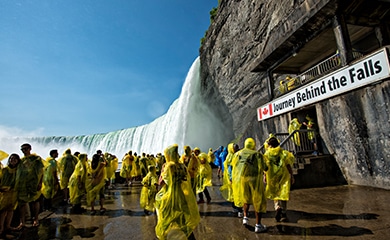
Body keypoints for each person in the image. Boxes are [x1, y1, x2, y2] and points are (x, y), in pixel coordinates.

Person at [155, 144, 200, 239]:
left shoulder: (168, 167)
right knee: (183, 220)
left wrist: (162, 171)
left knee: (167, 220)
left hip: (169, 198)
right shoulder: (181, 166)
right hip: (181, 195)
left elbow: (161, 183)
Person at [231, 138, 268, 233]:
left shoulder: (238, 154)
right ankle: (258, 225)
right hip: (255, 180)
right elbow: (265, 168)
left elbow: (234, 166)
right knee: (258, 201)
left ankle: (245, 217)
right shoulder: (257, 155)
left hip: (243, 179)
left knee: (246, 199)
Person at [264, 137, 295, 222]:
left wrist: (265, 176)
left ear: (270, 145)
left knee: (275, 193)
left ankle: (277, 207)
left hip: (272, 176)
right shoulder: (284, 153)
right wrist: (291, 175)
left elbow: (265, 167)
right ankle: (284, 211)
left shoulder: (267, 154)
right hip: (283, 175)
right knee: (283, 193)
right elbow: (288, 165)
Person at [15, 143, 44, 228]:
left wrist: (40, 183)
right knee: (22, 203)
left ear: (30, 148)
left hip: (34, 183)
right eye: (22, 149)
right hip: (23, 185)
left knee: (35, 201)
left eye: (26, 149)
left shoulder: (36, 159)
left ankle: (36, 219)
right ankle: (22, 222)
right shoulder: (21, 160)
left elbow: (41, 172)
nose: (24, 151)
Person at [219, 143, 243, 216]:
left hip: (238, 177)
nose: (237, 149)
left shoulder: (237, 155)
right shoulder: (230, 157)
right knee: (235, 193)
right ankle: (238, 209)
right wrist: (231, 178)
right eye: (235, 148)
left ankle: (237, 208)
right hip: (233, 178)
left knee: (237, 193)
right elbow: (229, 169)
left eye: (237, 147)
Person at [0, 153, 20, 235]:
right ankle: (1, 228)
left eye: (15, 159)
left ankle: (8, 226)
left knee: (11, 209)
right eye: (11, 159)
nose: (13, 160)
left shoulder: (19, 170)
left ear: (18, 161)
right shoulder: (4, 169)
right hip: (5, 192)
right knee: (3, 210)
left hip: (14, 192)